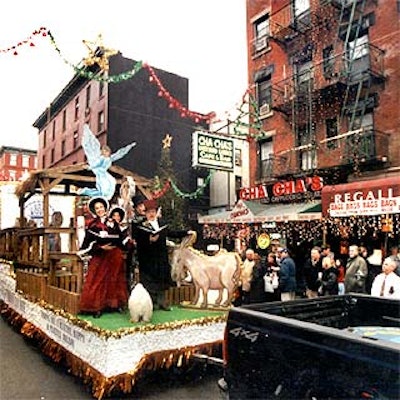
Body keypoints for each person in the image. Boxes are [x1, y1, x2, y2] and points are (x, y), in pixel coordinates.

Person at [134, 199, 193, 310]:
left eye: (153, 212)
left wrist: (186, 232)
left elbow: (172, 233)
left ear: (156, 212)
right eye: (149, 212)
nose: (151, 214)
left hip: (161, 257)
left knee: (162, 280)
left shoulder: (162, 224)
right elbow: (137, 241)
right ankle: (151, 303)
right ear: (145, 213)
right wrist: (149, 240)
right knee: (149, 282)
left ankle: (162, 302)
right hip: (148, 259)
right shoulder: (140, 226)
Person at [78, 197, 129, 318]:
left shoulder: (113, 222)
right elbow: (87, 242)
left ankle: (113, 305)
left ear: (105, 208)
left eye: (101, 207)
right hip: (100, 256)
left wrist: (126, 246)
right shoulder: (92, 225)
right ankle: (96, 307)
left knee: (114, 280)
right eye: (97, 208)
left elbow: (120, 238)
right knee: (97, 280)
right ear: (94, 211)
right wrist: (100, 247)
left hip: (113, 256)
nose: (100, 210)